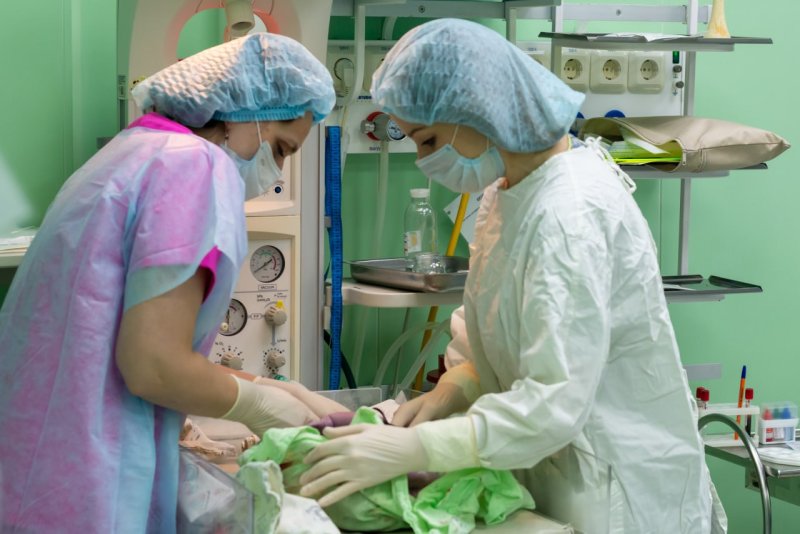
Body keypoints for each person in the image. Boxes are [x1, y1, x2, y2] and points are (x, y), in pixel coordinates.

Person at [300, 19, 722, 533]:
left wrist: (416, 447)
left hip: (614, 491)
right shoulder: (507, 192)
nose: (425, 160)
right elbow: (496, 329)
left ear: (477, 111)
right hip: (544, 471)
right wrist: (452, 388)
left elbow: (554, 402)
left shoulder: (571, 213)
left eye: (429, 139)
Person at [0, 33, 343, 532]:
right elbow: (153, 367)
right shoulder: (194, 165)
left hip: (37, 466)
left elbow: (116, 342)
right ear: (251, 113)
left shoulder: (128, 155)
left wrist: (270, 386)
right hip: (91, 488)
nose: (277, 173)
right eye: (282, 149)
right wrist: (261, 406)